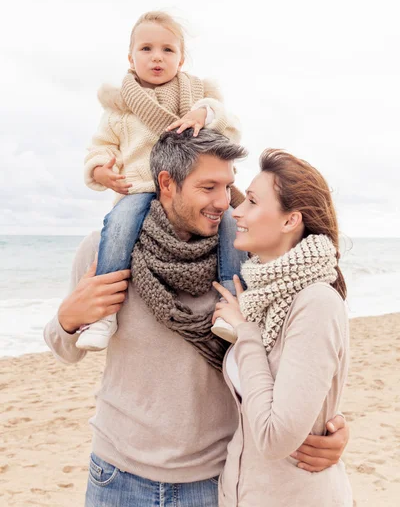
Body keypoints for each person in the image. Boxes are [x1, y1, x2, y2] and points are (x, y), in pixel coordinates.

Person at [44, 130, 349, 507]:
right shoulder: (106, 253)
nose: (224, 202)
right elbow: (65, 352)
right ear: (167, 184)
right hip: (116, 475)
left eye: (229, 187)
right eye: (209, 188)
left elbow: (294, 362)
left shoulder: (247, 263)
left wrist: (331, 426)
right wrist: (68, 318)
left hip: (213, 481)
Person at [79, 10, 243, 351]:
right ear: (130, 57)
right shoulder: (119, 108)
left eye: (168, 50)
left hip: (191, 187)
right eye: (146, 49)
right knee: (119, 224)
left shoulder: (198, 95)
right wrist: (101, 171)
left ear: (181, 59)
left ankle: (231, 303)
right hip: (140, 185)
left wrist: (203, 113)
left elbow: (229, 127)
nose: (157, 56)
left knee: (231, 221)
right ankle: (103, 313)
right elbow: (100, 148)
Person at [212, 148, 352, 506]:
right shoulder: (262, 295)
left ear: (290, 221)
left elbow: (275, 438)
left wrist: (245, 334)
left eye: (253, 202)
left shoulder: (316, 302)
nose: (236, 209)